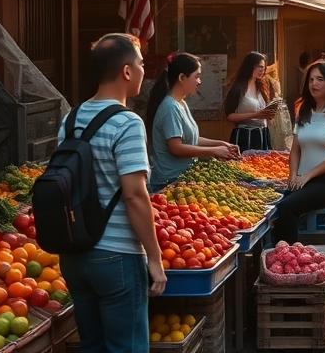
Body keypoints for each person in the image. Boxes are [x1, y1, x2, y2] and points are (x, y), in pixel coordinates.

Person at [58, 34, 166, 352]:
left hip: (75, 254)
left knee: (92, 346)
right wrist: (155, 258)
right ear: (127, 71)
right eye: (141, 63)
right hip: (116, 255)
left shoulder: (70, 119)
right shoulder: (127, 122)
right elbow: (134, 195)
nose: (145, 71)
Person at [274, 61, 325, 243]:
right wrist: (293, 175)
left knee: (287, 207)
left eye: (319, 79)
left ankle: (288, 256)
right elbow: (295, 150)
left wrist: (307, 176)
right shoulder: (304, 111)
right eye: (310, 80)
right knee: (273, 207)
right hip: (301, 180)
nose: (314, 84)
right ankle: (277, 255)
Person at [146, 53, 238, 191]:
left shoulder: (180, 103)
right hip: (169, 183)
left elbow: (190, 139)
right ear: (182, 78)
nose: (199, 82)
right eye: (197, 76)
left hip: (181, 179)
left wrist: (220, 144)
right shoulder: (170, 107)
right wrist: (213, 151)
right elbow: (176, 147)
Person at [225, 51, 278, 152]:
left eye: (264, 67)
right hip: (245, 135)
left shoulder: (262, 87)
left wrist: (269, 113)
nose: (262, 70)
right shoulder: (238, 88)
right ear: (250, 66)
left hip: (263, 134)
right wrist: (255, 115)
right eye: (259, 67)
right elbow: (229, 116)